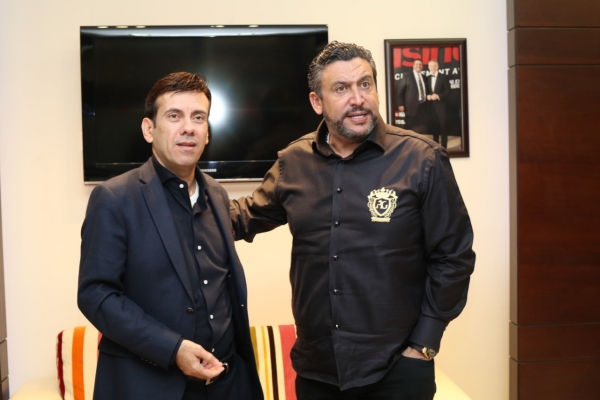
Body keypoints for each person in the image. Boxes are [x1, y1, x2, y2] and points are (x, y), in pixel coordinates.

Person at [230, 42, 475, 400]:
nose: (358, 99)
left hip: (397, 372)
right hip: (317, 372)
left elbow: (454, 257)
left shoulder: (421, 159)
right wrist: (177, 194)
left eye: (365, 84)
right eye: (341, 89)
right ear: (317, 102)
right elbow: (243, 217)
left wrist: (424, 344)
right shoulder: (293, 162)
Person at [78, 72, 263, 400]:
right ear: (149, 129)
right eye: (174, 116)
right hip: (149, 387)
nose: (188, 127)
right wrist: (173, 349)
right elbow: (96, 295)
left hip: (228, 384)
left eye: (198, 117)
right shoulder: (115, 198)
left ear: (207, 132)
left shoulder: (218, 195)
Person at [396, 58, 429, 134]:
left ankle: (419, 140)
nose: (418, 66)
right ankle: (407, 141)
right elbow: (400, 91)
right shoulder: (407, 76)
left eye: (420, 64)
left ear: (422, 66)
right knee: (409, 126)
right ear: (413, 66)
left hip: (423, 106)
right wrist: (400, 104)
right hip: (410, 107)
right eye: (417, 64)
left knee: (421, 126)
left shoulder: (424, 77)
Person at [426, 60, 452, 148]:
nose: (433, 68)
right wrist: (427, 96)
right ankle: (435, 145)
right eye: (431, 66)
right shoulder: (427, 77)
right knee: (434, 126)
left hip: (442, 106)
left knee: (443, 126)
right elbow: (426, 91)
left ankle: (444, 146)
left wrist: (438, 96)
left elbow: (448, 91)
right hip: (431, 106)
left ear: (438, 67)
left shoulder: (443, 77)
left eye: (434, 66)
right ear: (428, 67)